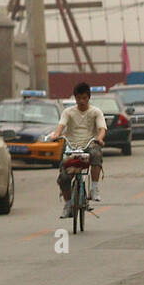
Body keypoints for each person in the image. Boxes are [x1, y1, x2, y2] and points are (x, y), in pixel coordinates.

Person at [51, 82, 107, 216]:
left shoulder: (95, 112)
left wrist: (99, 138)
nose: (81, 101)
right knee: (64, 177)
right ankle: (68, 204)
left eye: (84, 98)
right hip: (72, 148)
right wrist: (56, 135)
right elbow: (61, 126)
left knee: (96, 154)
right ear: (75, 98)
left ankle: (94, 188)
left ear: (89, 97)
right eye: (78, 98)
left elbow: (102, 129)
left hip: (89, 145)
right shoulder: (68, 112)